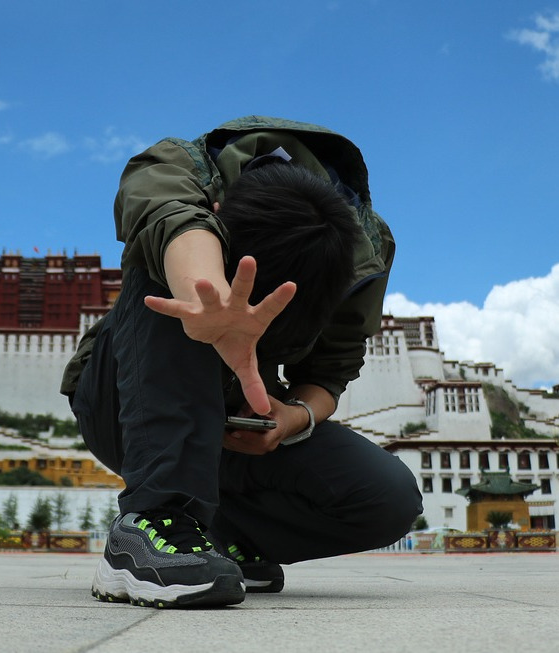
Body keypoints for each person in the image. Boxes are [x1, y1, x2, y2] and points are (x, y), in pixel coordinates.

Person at [60, 115, 423, 608]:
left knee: (387, 497)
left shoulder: (363, 250)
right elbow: (171, 217)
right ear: (219, 209)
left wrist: (291, 417)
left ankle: (221, 539)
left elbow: (331, 370)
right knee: (180, 292)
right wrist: (212, 309)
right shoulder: (179, 165)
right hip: (125, 407)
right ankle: (150, 524)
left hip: (237, 423)